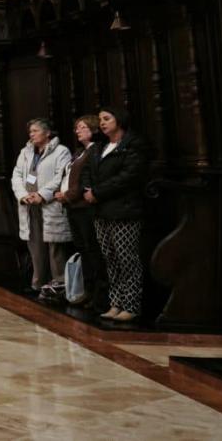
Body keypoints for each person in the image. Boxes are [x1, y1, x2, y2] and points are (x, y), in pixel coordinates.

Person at [83, 105, 150, 323]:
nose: (102, 123)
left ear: (119, 120)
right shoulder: (99, 147)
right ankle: (115, 303)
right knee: (110, 259)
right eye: (100, 119)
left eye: (107, 118)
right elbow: (87, 172)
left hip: (123, 210)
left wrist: (98, 192)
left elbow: (128, 176)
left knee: (127, 259)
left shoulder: (132, 145)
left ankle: (131, 305)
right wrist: (88, 190)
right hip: (100, 211)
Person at [10, 117, 72, 292]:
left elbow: (60, 177)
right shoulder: (26, 152)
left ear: (47, 133)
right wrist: (23, 195)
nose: (31, 134)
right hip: (29, 205)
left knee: (55, 247)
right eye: (30, 131)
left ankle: (59, 286)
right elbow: (17, 175)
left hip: (49, 204)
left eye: (35, 131)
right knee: (35, 246)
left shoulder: (61, 151)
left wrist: (41, 195)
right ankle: (38, 284)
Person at [55, 115, 106, 307]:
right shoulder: (78, 152)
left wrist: (68, 195)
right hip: (73, 207)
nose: (77, 131)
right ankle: (86, 289)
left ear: (93, 130)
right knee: (82, 249)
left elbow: (85, 181)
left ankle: (99, 294)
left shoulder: (95, 151)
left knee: (92, 249)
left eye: (82, 127)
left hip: (84, 207)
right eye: (76, 128)